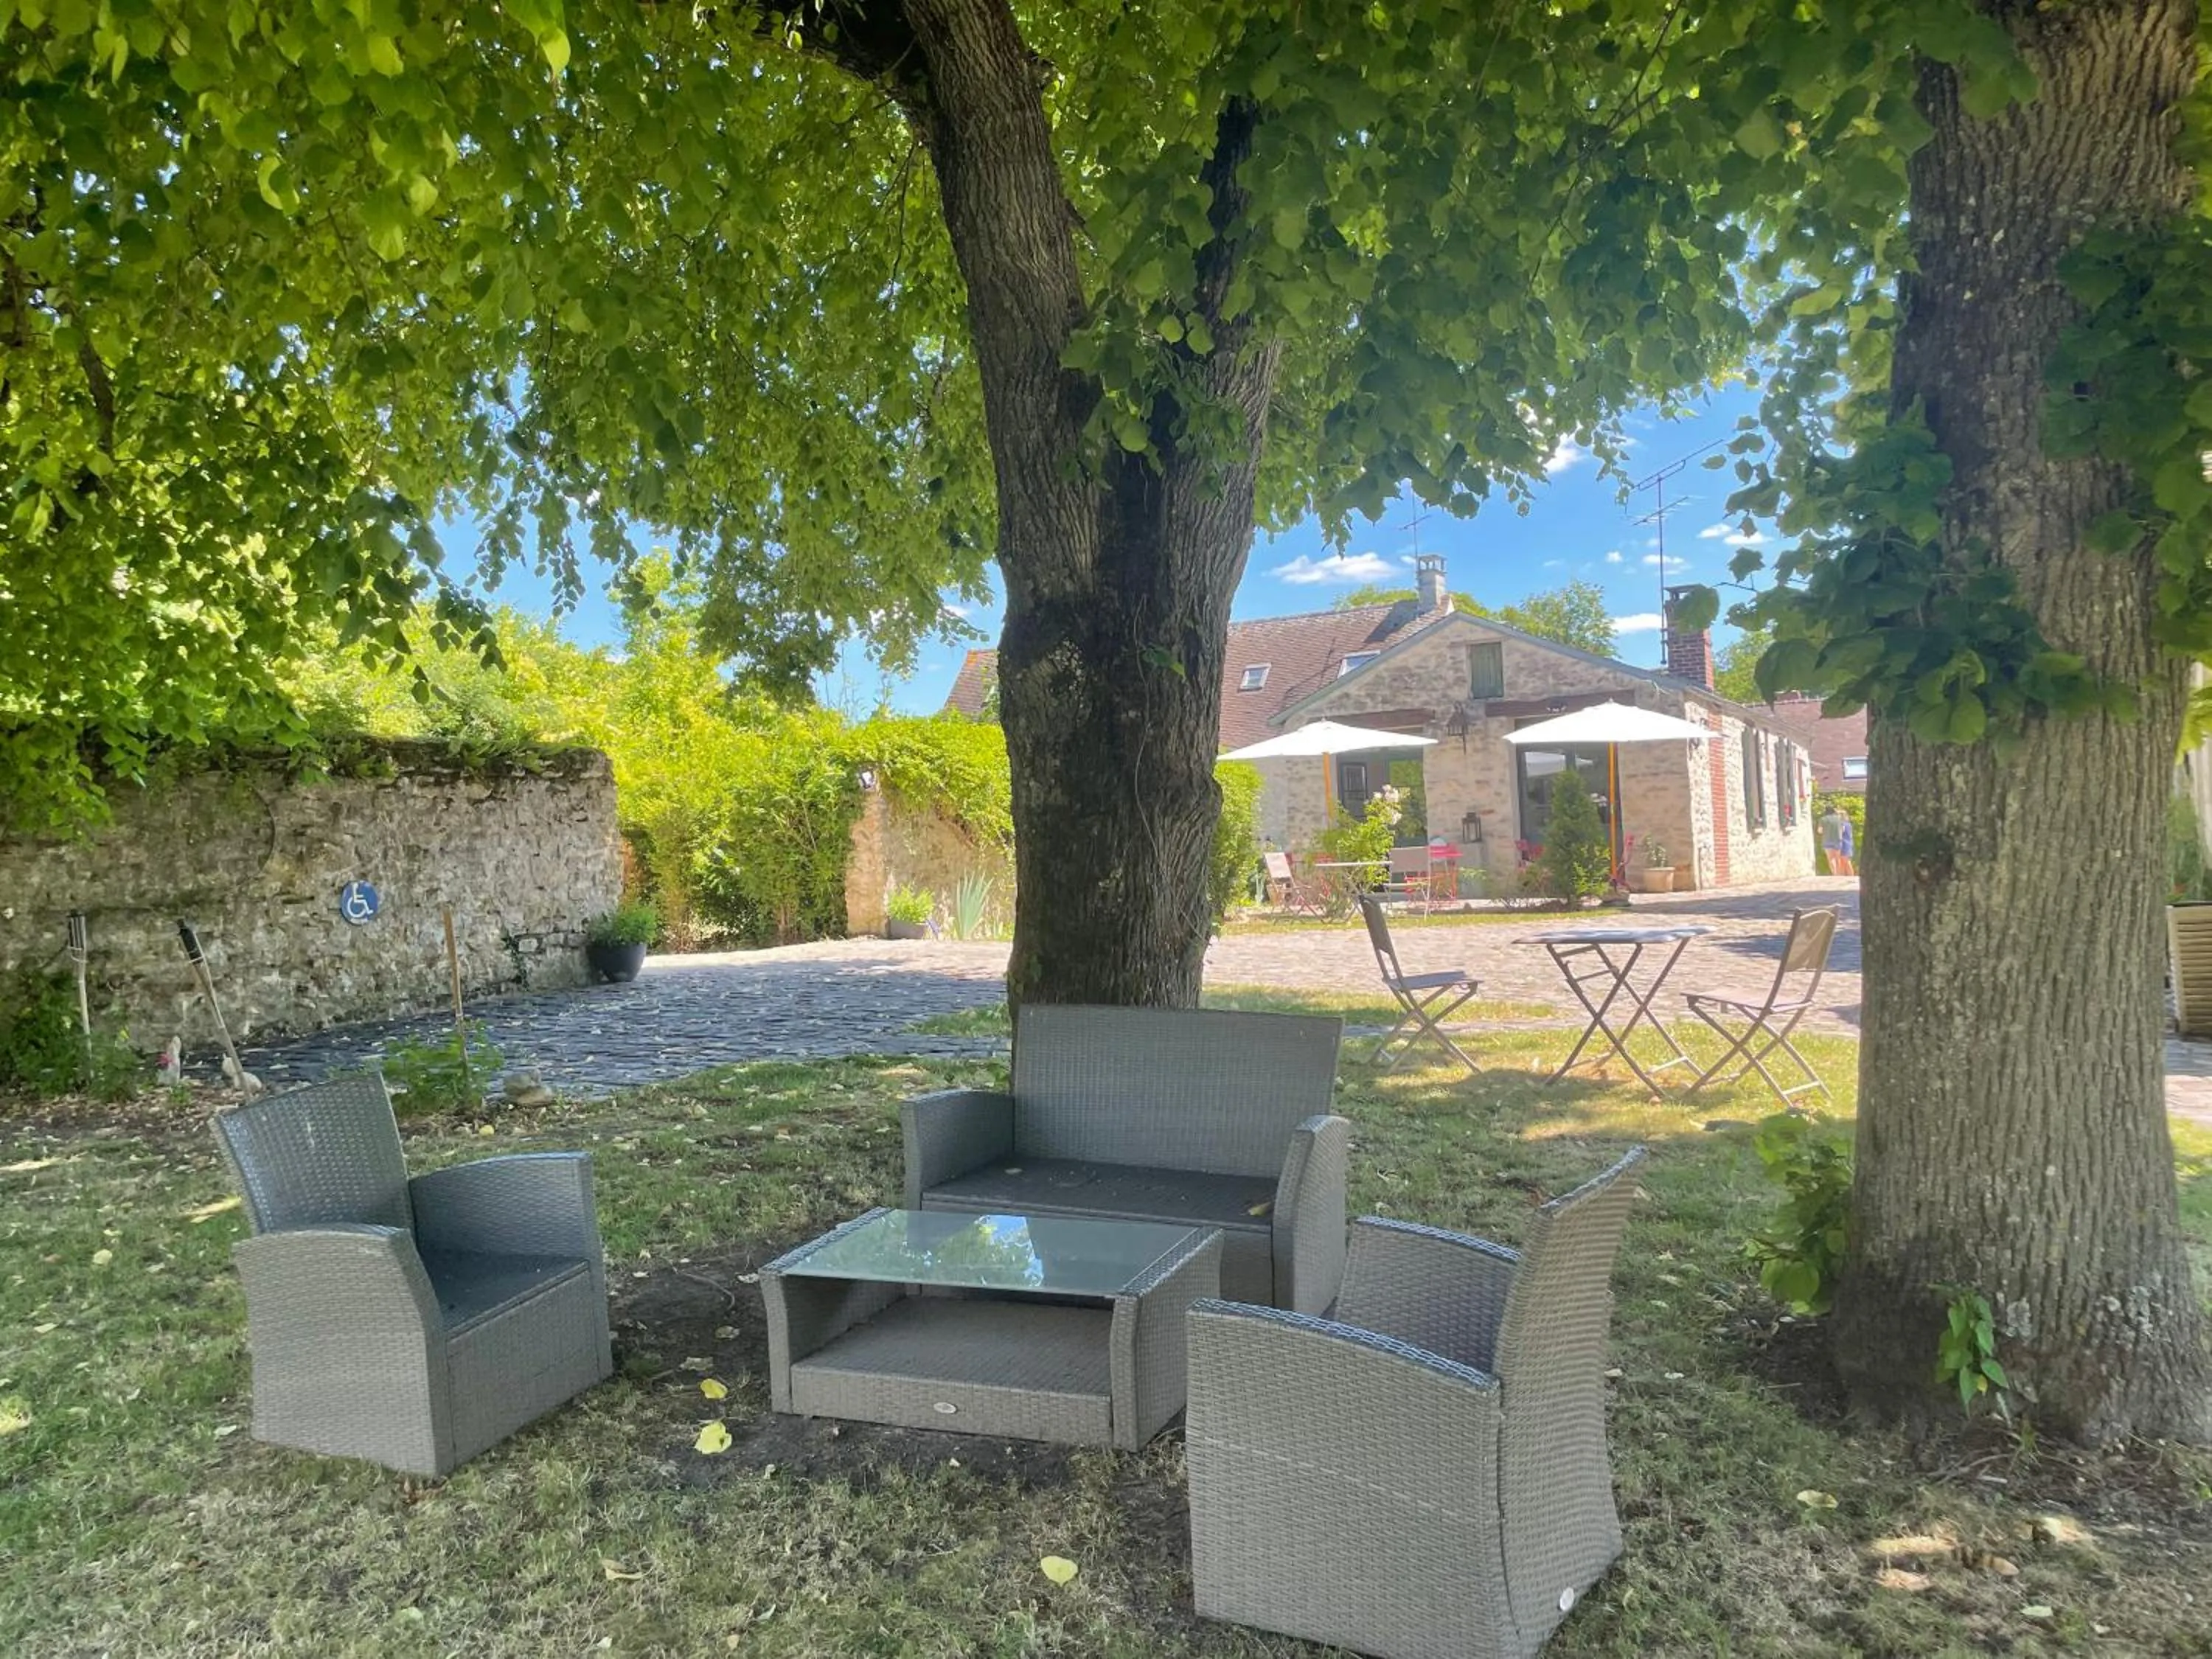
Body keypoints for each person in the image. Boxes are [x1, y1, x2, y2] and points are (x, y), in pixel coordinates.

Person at [1818, 801, 1856, 877]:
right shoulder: (1839, 820)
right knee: (1838, 858)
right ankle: (1840, 874)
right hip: (1838, 841)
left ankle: (1835, 874)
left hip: (1827, 840)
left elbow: (1820, 831)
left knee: (1831, 859)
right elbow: (1842, 830)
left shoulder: (1823, 819)